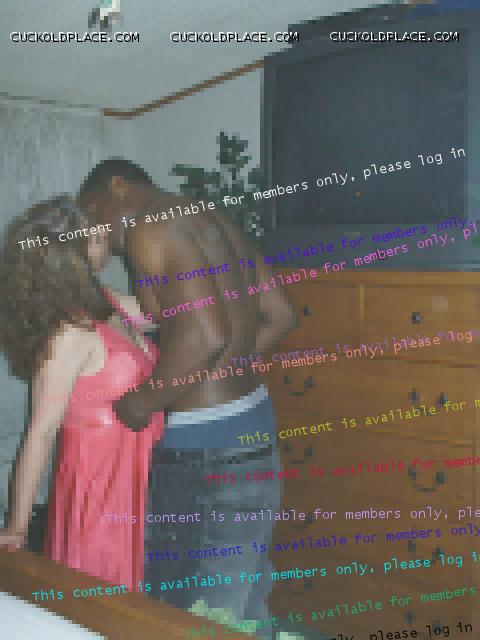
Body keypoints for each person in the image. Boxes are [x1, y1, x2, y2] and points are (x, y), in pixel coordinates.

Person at [78, 159, 297, 631]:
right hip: (254, 429)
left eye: (93, 212)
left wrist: (140, 403)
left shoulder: (149, 227)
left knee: (187, 616)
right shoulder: (210, 217)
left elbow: (204, 335)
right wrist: (219, 371)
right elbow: (280, 314)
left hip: (205, 451)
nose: (98, 231)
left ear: (117, 186)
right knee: (241, 604)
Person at [0, 196, 163, 591]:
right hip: (99, 487)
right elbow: (40, 433)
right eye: (94, 234)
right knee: (102, 598)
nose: (104, 234)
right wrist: (17, 526)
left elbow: (170, 313)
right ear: (72, 257)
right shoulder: (68, 335)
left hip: (140, 473)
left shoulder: (107, 301)